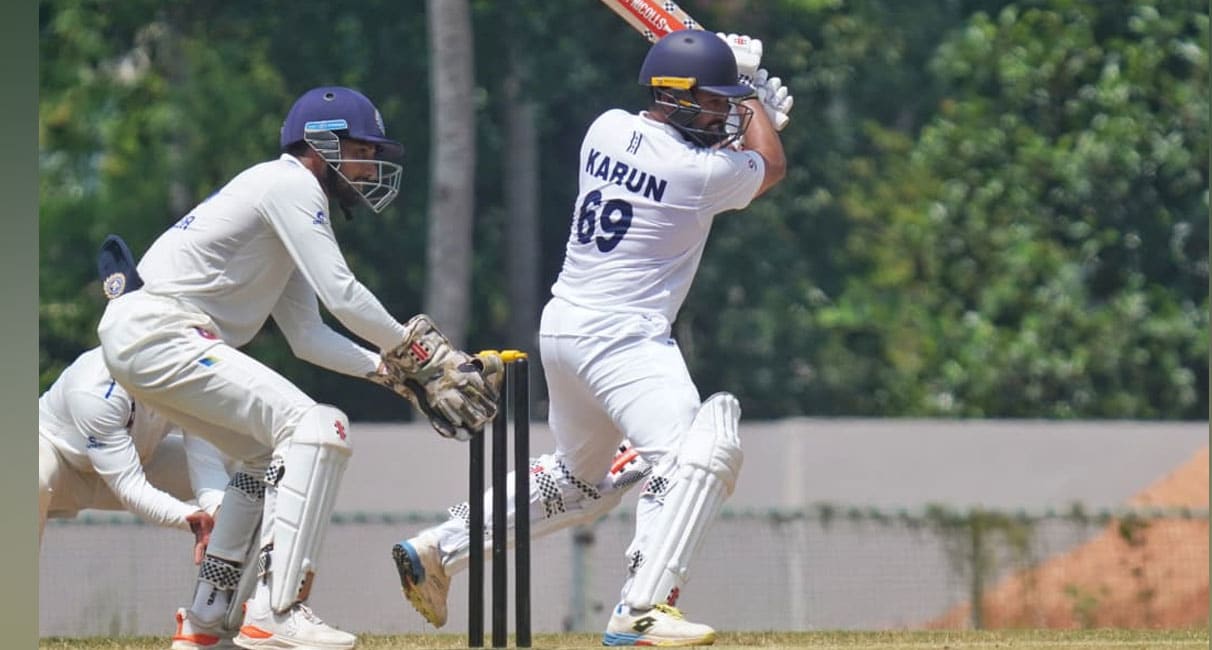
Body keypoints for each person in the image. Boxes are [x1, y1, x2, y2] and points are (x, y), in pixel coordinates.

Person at [391, 30, 790, 646]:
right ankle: (644, 605)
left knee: (582, 484)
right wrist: (757, 111)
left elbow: (732, 156)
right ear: (678, 97)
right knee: (695, 455)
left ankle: (438, 550)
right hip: (624, 339)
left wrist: (737, 111)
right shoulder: (693, 170)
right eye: (714, 101)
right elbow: (772, 166)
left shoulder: (603, 128)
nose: (723, 113)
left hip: (565, 328)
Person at [96, 85, 493, 650]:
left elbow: (308, 336)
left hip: (146, 338)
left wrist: (389, 372)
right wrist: (424, 356)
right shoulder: (291, 183)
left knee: (262, 461)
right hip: (160, 331)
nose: (371, 165)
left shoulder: (282, 202)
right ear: (321, 144)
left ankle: (206, 620)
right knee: (317, 427)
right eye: (362, 150)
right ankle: (277, 609)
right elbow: (343, 294)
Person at [38, 345, 229, 549]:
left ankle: (258, 570)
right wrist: (191, 519)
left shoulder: (189, 370)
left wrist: (218, 510)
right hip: (59, 461)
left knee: (240, 463)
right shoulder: (94, 387)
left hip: (133, 461)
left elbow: (207, 464)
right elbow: (129, 485)